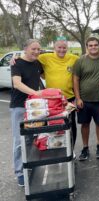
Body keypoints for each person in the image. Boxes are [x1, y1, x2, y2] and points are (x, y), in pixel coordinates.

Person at [10, 39, 43, 186]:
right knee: (19, 141)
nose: (36, 51)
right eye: (33, 49)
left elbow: (44, 75)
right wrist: (36, 94)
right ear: (25, 48)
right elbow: (17, 83)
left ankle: (29, 166)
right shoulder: (17, 63)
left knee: (31, 139)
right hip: (19, 106)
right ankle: (20, 173)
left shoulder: (37, 63)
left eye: (38, 49)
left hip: (34, 107)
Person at [38, 39, 79, 147]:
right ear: (54, 48)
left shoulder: (73, 58)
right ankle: (55, 147)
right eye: (59, 47)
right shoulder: (45, 57)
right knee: (53, 124)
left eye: (64, 47)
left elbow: (86, 59)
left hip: (69, 99)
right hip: (52, 100)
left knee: (71, 124)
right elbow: (30, 57)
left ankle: (71, 150)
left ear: (67, 48)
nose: (62, 50)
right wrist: (16, 59)